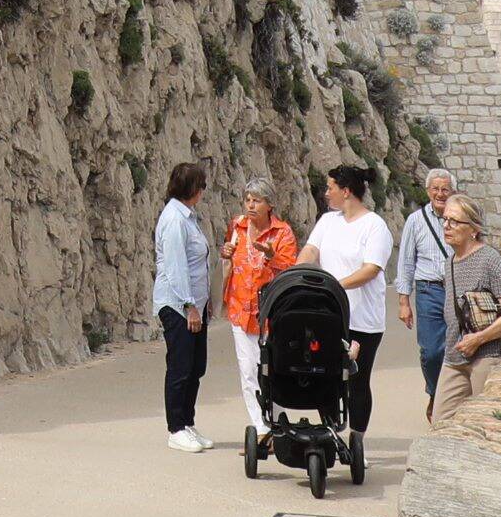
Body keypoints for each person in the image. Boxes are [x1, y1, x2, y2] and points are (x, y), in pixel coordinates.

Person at [303, 166, 392, 450]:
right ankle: (331, 433)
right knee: (324, 376)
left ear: (346, 191)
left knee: (356, 379)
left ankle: (356, 441)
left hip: (363, 320)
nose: (326, 192)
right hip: (330, 316)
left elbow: (371, 269)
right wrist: (296, 271)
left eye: (330, 187)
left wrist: (336, 285)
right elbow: (311, 250)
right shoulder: (328, 221)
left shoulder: (374, 226)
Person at [220, 187, 301, 438]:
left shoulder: (282, 233)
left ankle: (277, 424)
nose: (251, 205)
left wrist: (270, 256)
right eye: (247, 200)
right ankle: (261, 428)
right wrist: (226, 253)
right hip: (240, 309)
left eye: (257, 200)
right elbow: (229, 257)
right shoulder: (237, 226)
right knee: (248, 371)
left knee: (272, 370)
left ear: (269, 204)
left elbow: (289, 270)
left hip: (272, 314)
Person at [433, 208, 501, 415]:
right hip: (455, 356)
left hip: (487, 355)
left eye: (455, 221)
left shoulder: (489, 259)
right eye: (445, 219)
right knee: (440, 422)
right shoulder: (450, 262)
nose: (446, 226)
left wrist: (478, 339)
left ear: (473, 230)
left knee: (484, 419)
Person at [151, 161, 215, 454]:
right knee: (180, 367)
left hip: (195, 305)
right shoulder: (175, 220)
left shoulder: (189, 217)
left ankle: (187, 423)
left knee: (195, 366)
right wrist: (189, 305)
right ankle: (175, 428)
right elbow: (176, 268)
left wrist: (205, 301)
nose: (203, 191)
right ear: (192, 189)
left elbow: (198, 262)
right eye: (201, 185)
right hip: (178, 306)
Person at [395, 167, 456, 383]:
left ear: (452, 192)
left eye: (445, 189)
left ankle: (451, 395)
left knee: (459, 348)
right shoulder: (415, 220)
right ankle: (434, 392)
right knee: (431, 352)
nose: (440, 194)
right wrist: (404, 302)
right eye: (436, 189)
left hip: (458, 290)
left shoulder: (461, 219)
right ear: (428, 191)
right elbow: (406, 262)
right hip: (428, 290)